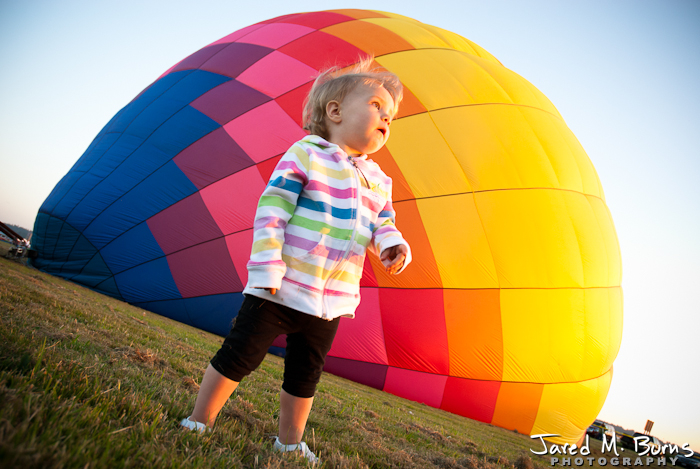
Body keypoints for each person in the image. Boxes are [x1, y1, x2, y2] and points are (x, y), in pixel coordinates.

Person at [180, 57, 412, 464]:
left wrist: (392, 245)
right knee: (240, 355)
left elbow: (382, 222)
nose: (386, 120)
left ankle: (288, 441)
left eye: (391, 116)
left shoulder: (379, 179)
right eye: (377, 106)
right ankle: (200, 420)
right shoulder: (307, 154)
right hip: (281, 286)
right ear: (335, 112)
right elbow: (273, 208)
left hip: (331, 300)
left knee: (305, 375)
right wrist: (268, 265)